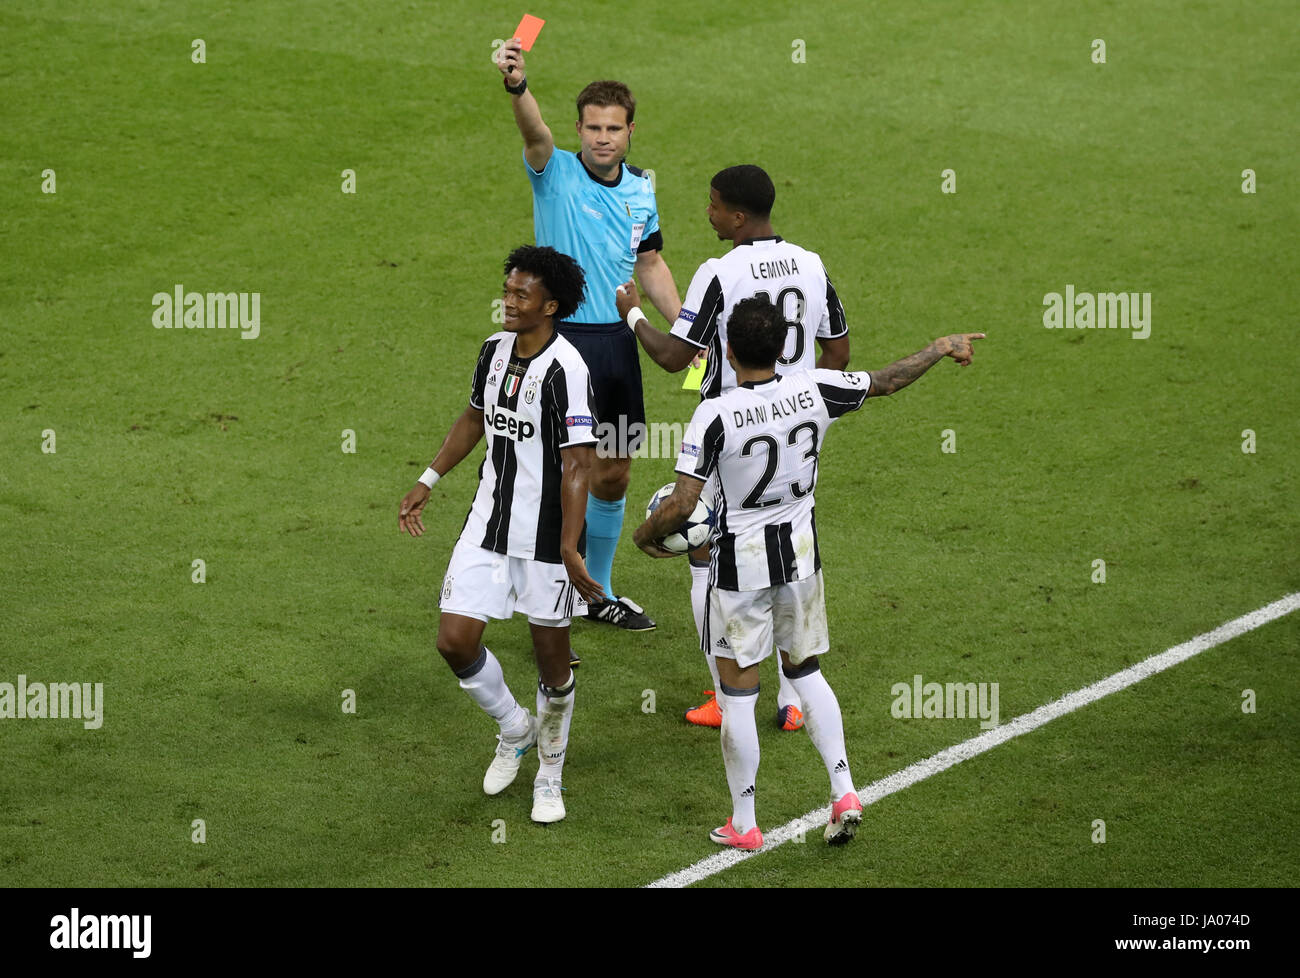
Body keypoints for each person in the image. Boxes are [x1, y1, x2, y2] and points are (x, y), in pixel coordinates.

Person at [633, 296, 983, 848]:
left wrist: (646, 535)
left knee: (740, 694)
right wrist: (940, 347)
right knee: (805, 672)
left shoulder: (714, 415)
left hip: (739, 569)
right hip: (800, 559)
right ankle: (843, 789)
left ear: (726, 347)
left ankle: (744, 823)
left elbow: (681, 504)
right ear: (783, 347)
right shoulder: (816, 387)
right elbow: (888, 380)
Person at [616, 164, 850, 732]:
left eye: (714, 204)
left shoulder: (719, 272)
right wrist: (803, 401)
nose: (708, 212)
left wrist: (633, 314)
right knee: (790, 558)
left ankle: (728, 691)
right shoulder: (812, 264)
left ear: (738, 216)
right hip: (794, 431)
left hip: (732, 431)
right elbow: (838, 353)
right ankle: (795, 697)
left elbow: (674, 355)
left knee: (708, 554)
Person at [398, 245, 605, 825]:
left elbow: (577, 464)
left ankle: (550, 772)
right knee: (455, 641)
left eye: (521, 295)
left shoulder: (568, 370)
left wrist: (568, 547)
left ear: (551, 305)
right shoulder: (493, 350)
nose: (508, 302)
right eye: (507, 290)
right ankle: (514, 728)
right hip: (488, 525)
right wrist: (429, 479)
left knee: (552, 665)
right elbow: (474, 417)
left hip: (547, 540)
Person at [496, 37, 682, 631]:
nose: (602, 138)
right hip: (557, 343)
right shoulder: (555, 172)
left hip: (616, 345)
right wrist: (518, 87)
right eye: (593, 128)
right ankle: (538, 586)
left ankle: (595, 591)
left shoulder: (641, 190)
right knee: (553, 469)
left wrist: (684, 326)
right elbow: (533, 134)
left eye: (614, 128)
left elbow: (648, 262)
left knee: (615, 468)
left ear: (631, 132)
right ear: (578, 129)